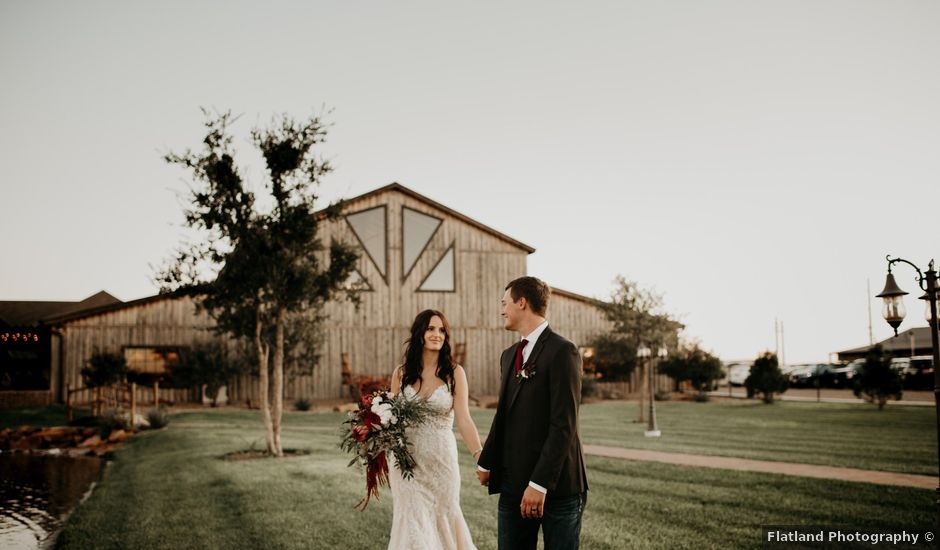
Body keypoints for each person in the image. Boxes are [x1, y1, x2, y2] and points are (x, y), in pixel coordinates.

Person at [477, 276, 589, 550]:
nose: (502, 310)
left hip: (559, 487)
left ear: (522, 303)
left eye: (505, 304)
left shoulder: (563, 351)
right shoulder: (509, 355)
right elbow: (504, 414)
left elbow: (564, 424)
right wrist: (486, 462)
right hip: (513, 484)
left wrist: (539, 485)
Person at [387, 309, 483, 550]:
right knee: (413, 523)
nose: (437, 334)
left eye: (442, 330)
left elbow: (464, 418)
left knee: (444, 518)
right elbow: (391, 419)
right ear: (420, 333)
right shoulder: (400, 373)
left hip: (442, 463)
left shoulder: (454, 373)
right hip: (406, 463)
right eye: (431, 328)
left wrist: (480, 455)